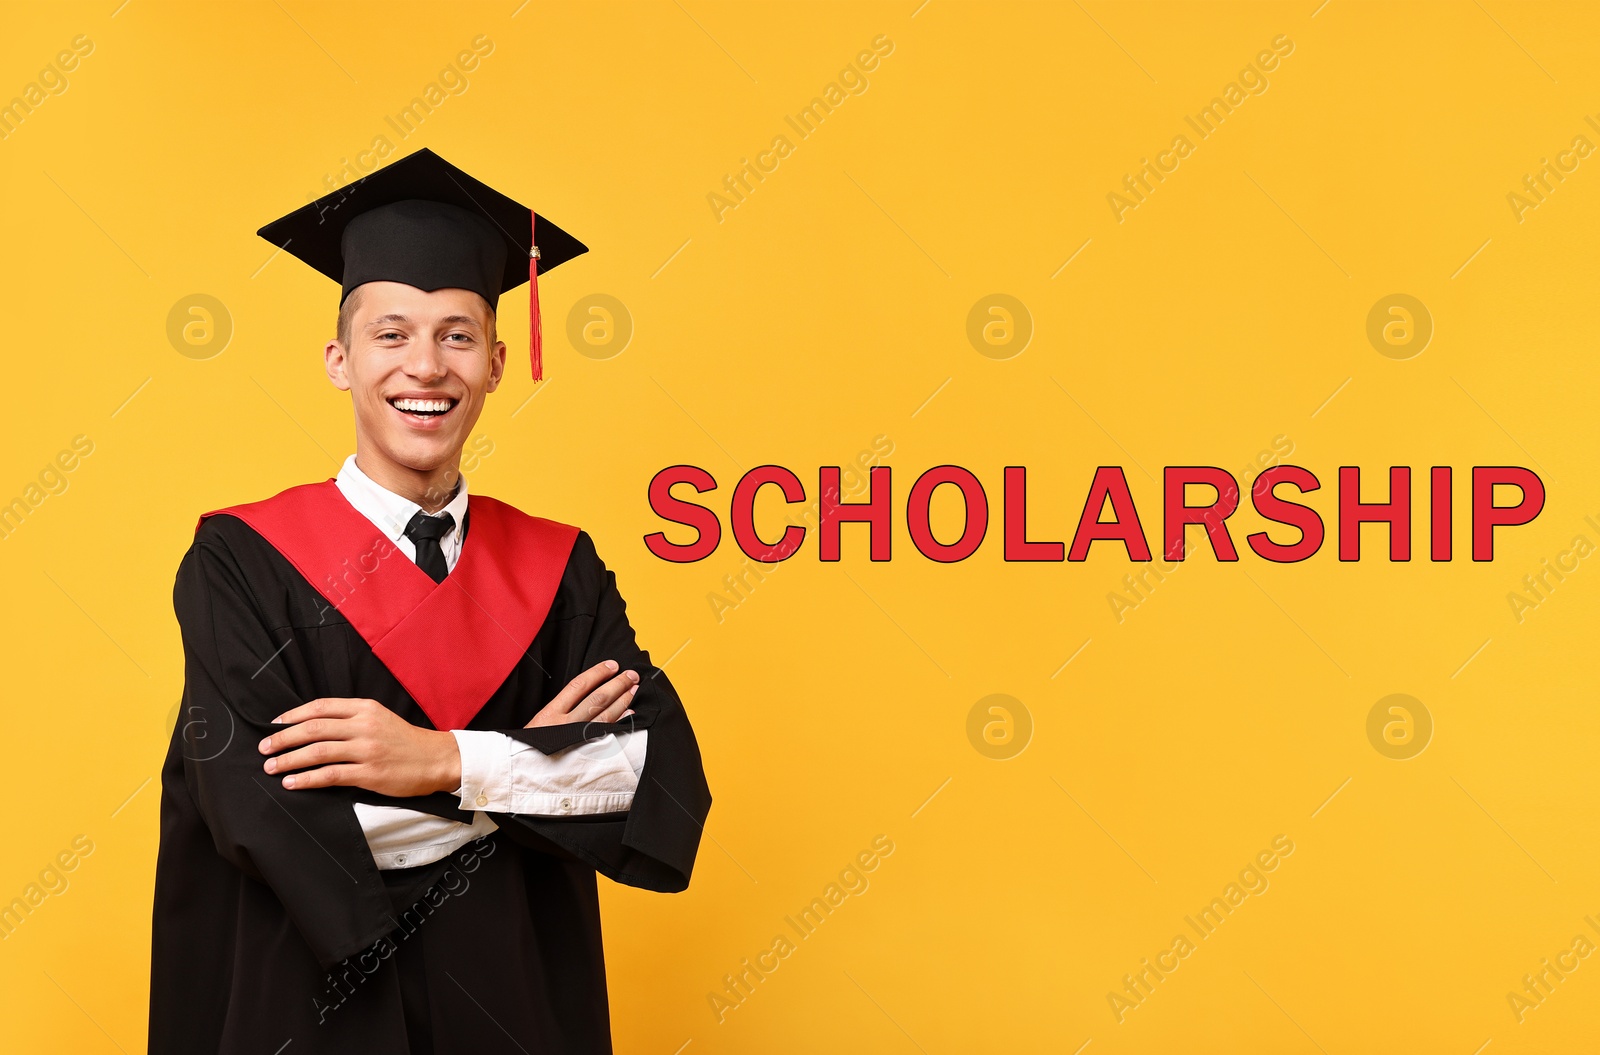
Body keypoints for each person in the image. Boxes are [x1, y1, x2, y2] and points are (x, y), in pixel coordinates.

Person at [149, 148, 712, 1054]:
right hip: (314, 1012)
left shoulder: (559, 569)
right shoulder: (243, 561)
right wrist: (522, 776)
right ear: (339, 361)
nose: (427, 365)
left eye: (456, 336)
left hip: (516, 1001)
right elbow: (260, 814)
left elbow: (656, 778)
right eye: (392, 334)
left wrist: (438, 759)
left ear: (495, 363)